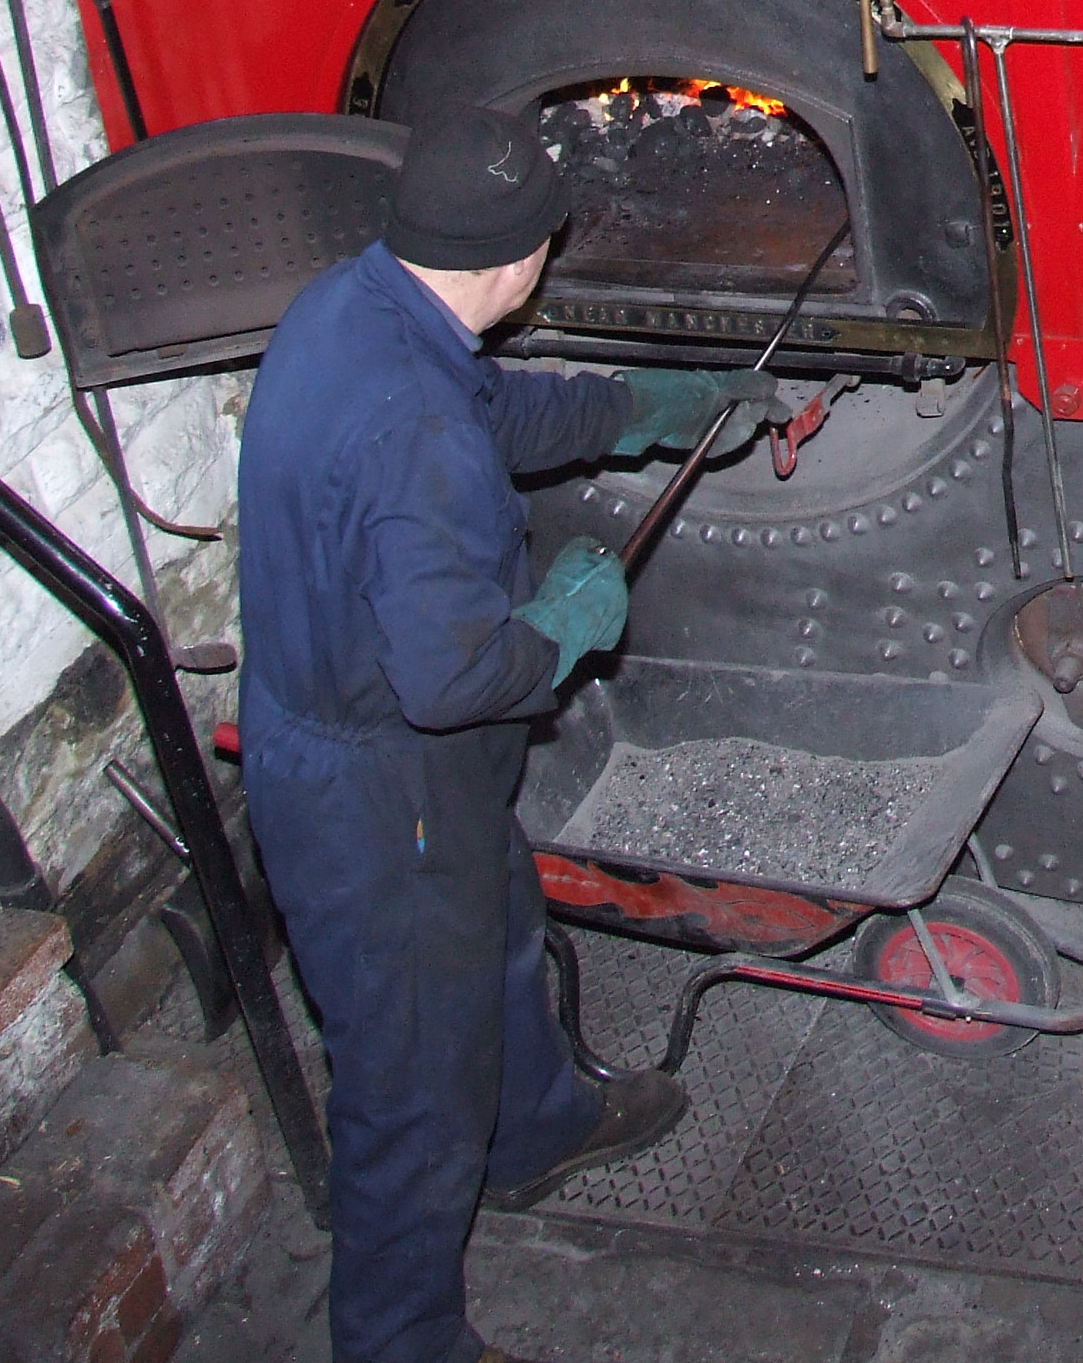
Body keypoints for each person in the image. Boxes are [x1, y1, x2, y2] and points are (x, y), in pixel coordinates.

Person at [237, 99, 775, 1363]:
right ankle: (400, 1340)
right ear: (524, 258)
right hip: (381, 787)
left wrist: (648, 401)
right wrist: (571, 615)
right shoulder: (414, 430)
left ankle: (531, 1128)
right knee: (407, 1094)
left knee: (496, 934)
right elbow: (455, 675)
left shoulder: (358, 310)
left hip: (372, 750)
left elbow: (487, 416)